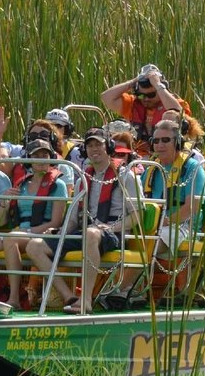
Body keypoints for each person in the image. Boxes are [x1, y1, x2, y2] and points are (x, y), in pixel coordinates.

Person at [25, 127, 140, 315]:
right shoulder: (83, 180)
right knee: (34, 246)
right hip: (85, 232)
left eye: (98, 144)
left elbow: (137, 217)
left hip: (114, 234)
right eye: (90, 145)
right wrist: (58, 232)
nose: (94, 149)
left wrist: (111, 227)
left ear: (108, 147)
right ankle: (69, 296)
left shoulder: (126, 176)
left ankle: (86, 299)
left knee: (91, 233)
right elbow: (72, 220)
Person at [107, 118, 205, 306]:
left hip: (182, 225)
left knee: (150, 244)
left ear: (177, 142)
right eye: (156, 141)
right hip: (152, 223)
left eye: (166, 140)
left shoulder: (192, 168)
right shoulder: (149, 168)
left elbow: (191, 207)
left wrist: (167, 221)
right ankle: (132, 291)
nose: (160, 145)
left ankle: (119, 291)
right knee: (121, 238)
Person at [0, 138, 68, 311]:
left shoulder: (58, 185)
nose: (41, 159)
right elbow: (3, 220)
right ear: (29, 159)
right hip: (19, 233)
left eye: (45, 155)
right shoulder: (22, 185)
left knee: (11, 239)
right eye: (36, 156)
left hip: (41, 232)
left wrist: (28, 231)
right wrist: (5, 200)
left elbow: (56, 221)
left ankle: (14, 298)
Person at [100, 63, 191, 156]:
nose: (146, 99)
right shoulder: (133, 104)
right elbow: (106, 97)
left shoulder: (178, 103)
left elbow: (177, 111)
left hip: (164, 156)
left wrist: (158, 84)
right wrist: (134, 81)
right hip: (138, 158)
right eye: (141, 95)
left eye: (151, 95)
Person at [0, 107, 77, 191]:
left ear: (52, 139)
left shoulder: (63, 166)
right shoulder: (19, 162)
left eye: (43, 135)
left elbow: (65, 199)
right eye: (33, 136)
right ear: (27, 140)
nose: (38, 139)